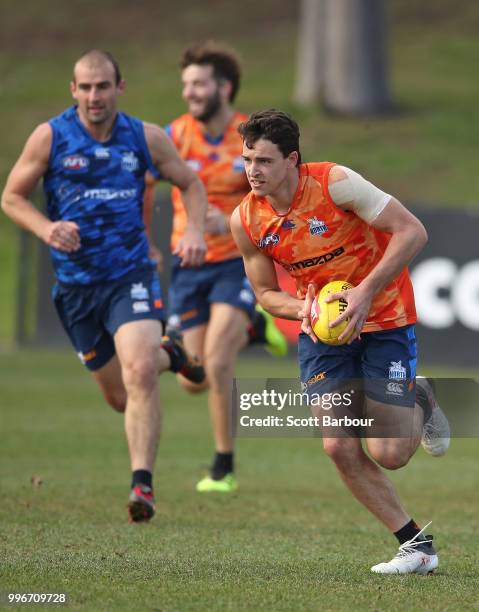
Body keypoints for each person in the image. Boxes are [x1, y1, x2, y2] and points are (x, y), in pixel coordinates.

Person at [230, 109, 450, 574]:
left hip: (385, 318)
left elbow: (412, 231)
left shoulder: (336, 184)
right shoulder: (246, 219)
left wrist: (364, 294)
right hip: (324, 335)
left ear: (292, 160)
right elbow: (267, 295)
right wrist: (303, 310)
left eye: (265, 161)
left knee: (389, 454)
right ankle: (415, 545)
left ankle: (422, 397)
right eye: (248, 158)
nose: (253, 170)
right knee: (338, 445)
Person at [1, 49, 209, 523]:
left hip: (129, 275)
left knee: (138, 373)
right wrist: (46, 228)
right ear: (73, 90)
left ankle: (143, 485)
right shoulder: (50, 137)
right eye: (85, 87)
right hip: (76, 288)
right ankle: (171, 353)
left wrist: (194, 231)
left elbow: (191, 184)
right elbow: (12, 197)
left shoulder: (144, 137)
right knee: (120, 396)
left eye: (103, 86)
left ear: (120, 87)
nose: (95, 96)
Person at [144, 42, 287, 493]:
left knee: (220, 361)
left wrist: (225, 224)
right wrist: (147, 243)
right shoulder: (173, 135)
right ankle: (254, 330)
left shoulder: (248, 139)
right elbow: (143, 188)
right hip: (189, 267)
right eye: (186, 84)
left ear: (222, 88)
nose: (190, 92)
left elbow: (275, 197)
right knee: (194, 378)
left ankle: (223, 466)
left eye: (199, 83)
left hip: (236, 263)